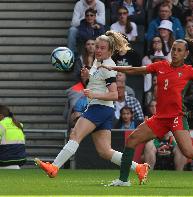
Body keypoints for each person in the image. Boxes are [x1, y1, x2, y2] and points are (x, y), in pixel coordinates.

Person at [101, 36, 193, 186]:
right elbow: (134, 70)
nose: (175, 53)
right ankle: (123, 180)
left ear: (186, 54)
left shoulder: (188, 71)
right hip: (159, 118)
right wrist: (113, 68)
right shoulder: (160, 66)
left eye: (179, 50)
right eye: (173, 50)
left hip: (176, 117)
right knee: (132, 140)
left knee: (189, 153)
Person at [35, 31, 149, 184]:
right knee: (105, 151)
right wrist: (89, 76)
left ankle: (54, 167)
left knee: (75, 134)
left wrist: (94, 94)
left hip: (99, 108)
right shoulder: (98, 62)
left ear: (109, 51)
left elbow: (115, 95)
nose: (98, 50)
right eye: (97, 47)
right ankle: (139, 168)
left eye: (102, 48)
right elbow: (100, 83)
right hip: (104, 110)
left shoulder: (107, 67)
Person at [0, 105, 26, 169]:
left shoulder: (1, 124)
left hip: (5, 160)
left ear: (0, 115)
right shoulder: (19, 124)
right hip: (21, 159)